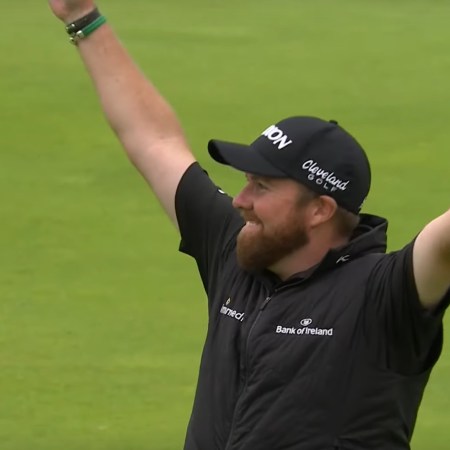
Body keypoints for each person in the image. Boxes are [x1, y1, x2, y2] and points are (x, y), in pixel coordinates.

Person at [47, 2, 450, 449]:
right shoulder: (237, 250)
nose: (240, 201)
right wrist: (82, 17)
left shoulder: (386, 296)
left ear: (320, 210)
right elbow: (153, 141)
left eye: (262, 186)